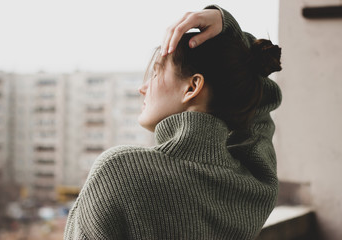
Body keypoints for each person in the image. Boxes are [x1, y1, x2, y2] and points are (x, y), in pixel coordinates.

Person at [64, 4, 282, 240]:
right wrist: (229, 30)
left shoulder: (118, 171)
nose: (143, 87)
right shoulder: (250, 187)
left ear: (192, 87)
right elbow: (261, 98)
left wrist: (227, 28)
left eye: (157, 73)